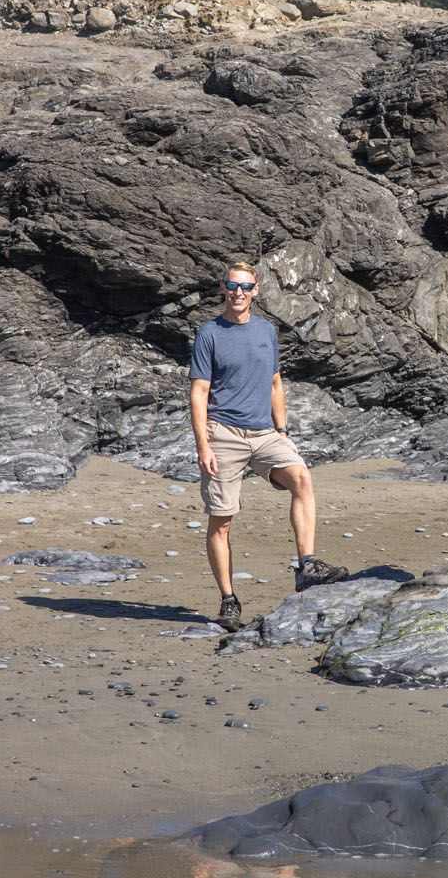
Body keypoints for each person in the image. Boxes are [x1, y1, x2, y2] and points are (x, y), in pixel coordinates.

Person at [188, 261, 347, 631]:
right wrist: (203, 445)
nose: (238, 293)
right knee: (222, 522)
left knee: (302, 479)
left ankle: (306, 565)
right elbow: (199, 393)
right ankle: (229, 601)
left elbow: (276, 383)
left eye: (245, 287)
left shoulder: (266, 330)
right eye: (232, 286)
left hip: (265, 434)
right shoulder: (210, 333)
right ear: (223, 289)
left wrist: (283, 429)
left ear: (256, 290)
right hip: (223, 433)